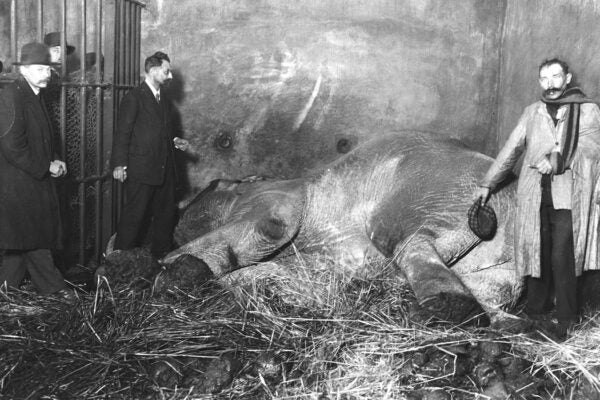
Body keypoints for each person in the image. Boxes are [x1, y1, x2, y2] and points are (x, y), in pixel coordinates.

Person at [474, 58, 600, 337]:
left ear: (567, 78)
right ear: (539, 82)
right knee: (537, 252)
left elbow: (592, 147)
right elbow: (512, 148)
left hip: (569, 194)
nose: (551, 83)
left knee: (562, 256)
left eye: (556, 76)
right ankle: (535, 313)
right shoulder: (532, 111)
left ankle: (566, 320)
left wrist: (557, 160)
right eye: (544, 78)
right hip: (534, 194)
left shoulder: (588, 110)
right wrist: (488, 183)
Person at [0, 42, 74, 300]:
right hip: (19, 182)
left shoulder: (33, 93)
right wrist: (46, 166)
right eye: (41, 69)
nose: (47, 74)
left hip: (30, 179)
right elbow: (12, 145)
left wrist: (55, 158)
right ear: (25, 70)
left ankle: (6, 290)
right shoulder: (12, 95)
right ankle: (54, 288)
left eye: (49, 69)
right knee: (36, 236)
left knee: (22, 241)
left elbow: (41, 138)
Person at [111, 51, 189, 258]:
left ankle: (160, 260)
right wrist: (119, 164)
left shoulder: (163, 99)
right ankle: (118, 262)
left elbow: (160, 132)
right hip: (142, 169)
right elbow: (122, 133)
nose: (170, 76)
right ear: (153, 71)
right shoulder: (134, 97)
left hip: (164, 169)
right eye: (166, 71)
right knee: (134, 217)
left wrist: (175, 141)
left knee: (165, 216)